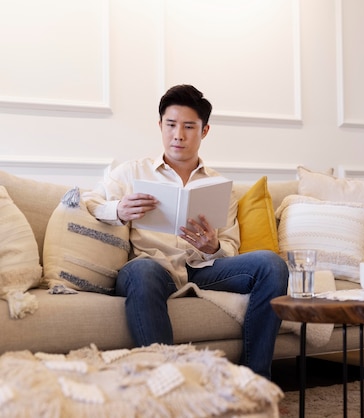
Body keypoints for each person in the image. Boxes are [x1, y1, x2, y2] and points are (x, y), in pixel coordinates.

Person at [83, 84, 288, 379]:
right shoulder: (131, 172)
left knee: (271, 264)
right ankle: (170, 382)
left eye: (189, 126)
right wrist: (118, 210)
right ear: (160, 126)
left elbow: (230, 248)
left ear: (204, 131)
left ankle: (254, 380)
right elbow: (89, 201)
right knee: (142, 271)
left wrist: (213, 247)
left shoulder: (219, 186)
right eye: (171, 125)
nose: (178, 134)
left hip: (200, 269)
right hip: (150, 267)